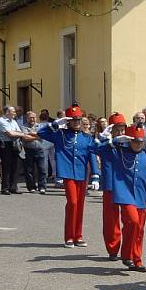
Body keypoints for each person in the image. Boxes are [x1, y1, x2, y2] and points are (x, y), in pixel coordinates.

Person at [97, 124, 146, 271]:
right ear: (128, 140)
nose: (138, 144)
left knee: (139, 229)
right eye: (135, 141)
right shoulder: (118, 152)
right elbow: (96, 149)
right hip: (124, 194)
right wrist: (112, 141)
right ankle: (126, 255)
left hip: (140, 196)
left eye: (140, 141)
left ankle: (136, 260)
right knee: (133, 221)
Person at [38, 106, 101, 247]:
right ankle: (69, 236)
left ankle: (78, 236)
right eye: (73, 120)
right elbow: (41, 133)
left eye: (78, 119)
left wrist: (96, 174)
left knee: (80, 205)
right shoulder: (61, 134)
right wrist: (55, 123)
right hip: (67, 173)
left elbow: (92, 155)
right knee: (72, 203)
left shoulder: (87, 137)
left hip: (82, 174)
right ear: (68, 121)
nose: (76, 122)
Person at [98, 112, 128, 260]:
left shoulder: (129, 142)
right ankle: (113, 249)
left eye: (123, 129)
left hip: (126, 185)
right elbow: (94, 149)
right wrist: (107, 140)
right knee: (111, 219)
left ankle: (128, 250)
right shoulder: (106, 145)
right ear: (111, 130)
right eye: (117, 129)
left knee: (130, 219)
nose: (121, 132)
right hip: (110, 185)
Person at [0, 105, 26, 195]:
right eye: (13, 111)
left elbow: (19, 132)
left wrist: (18, 133)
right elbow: (10, 134)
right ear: (7, 112)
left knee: (15, 166)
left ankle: (13, 187)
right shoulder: (0, 120)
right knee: (6, 167)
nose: (15, 113)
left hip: (15, 144)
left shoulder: (13, 121)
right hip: (6, 145)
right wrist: (19, 134)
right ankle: (5, 188)